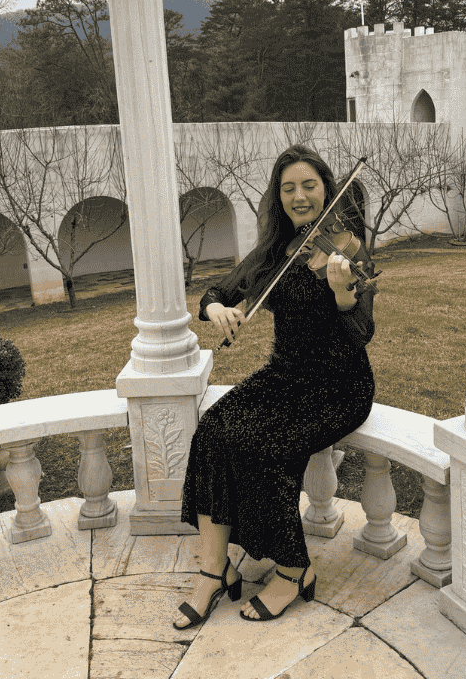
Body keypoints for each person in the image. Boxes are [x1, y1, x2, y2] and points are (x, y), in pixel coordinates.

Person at [173, 144, 376, 628]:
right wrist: (216, 309)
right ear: (277, 196)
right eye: (288, 188)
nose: (300, 196)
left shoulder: (347, 249)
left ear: (326, 187)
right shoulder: (272, 252)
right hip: (284, 376)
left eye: (309, 185)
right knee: (214, 429)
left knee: (264, 447)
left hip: (338, 386)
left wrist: (342, 292)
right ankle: (213, 570)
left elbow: (361, 334)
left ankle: (293, 570)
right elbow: (217, 293)